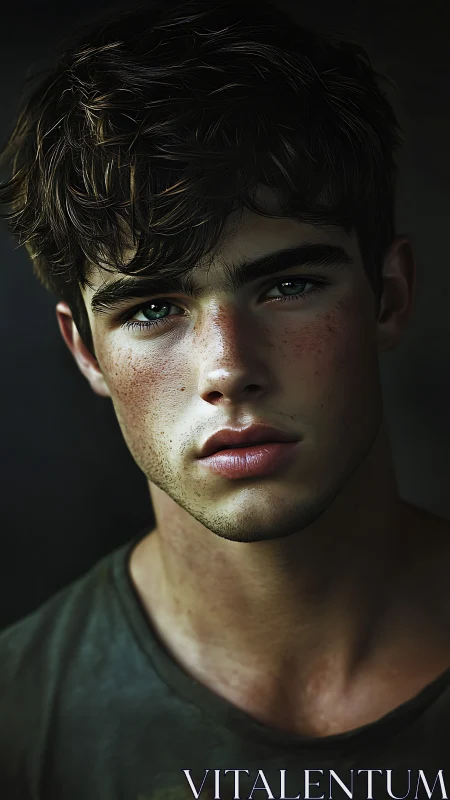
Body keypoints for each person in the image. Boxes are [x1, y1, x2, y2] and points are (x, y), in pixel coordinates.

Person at [1, 0, 449, 797]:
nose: (228, 368)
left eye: (288, 285)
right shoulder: (18, 720)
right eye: (152, 309)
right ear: (85, 350)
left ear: (388, 296)